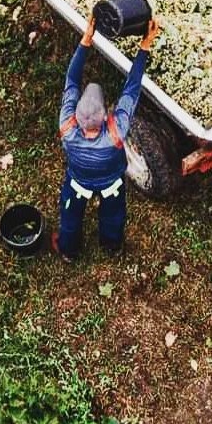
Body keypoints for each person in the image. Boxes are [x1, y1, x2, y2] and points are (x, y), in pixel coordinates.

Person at [53, 15, 162, 261]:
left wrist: (86, 39)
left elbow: (71, 80)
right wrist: (145, 46)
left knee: (70, 215)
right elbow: (131, 89)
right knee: (113, 215)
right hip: (111, 184)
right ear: (105, 117)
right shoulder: (116, 131)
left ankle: (69, 250)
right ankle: (112, 245)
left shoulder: (68, 127)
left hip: (78, 183)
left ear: (77, 114)